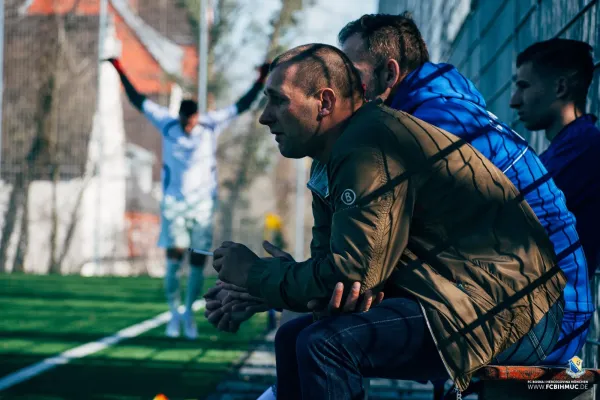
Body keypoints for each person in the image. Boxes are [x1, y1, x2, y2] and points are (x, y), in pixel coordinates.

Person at [206, 43, 566, 399]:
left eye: (278, 100)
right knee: (292, 336)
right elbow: (337, 283)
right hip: (453, 297)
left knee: (325, 344)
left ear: (325, 103)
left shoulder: (367, 147)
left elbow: (351, 274)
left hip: (513, 314)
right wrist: (278, 287)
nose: (264, 116)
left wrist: (255, 275)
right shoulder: (331, 156)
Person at [334, 13, 593, 365]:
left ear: (390, 74)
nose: (338, 83)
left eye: (350, 72)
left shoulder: (432, 126)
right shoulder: (434, 114)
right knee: (322, 332)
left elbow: (381, 252)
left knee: (329, 340)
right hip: (528, 301)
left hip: (547, 316)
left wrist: (276, 284)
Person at [106, 58, 269, 339]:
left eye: (192, 122)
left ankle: (189, 316)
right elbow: (137, 100)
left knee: (197, 260)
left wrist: (261, 79)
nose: (189, 126)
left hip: (203, 204)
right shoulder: (166, 124)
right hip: (174, 203)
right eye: (185, 122)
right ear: (180, 117)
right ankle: (173, 313)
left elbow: (241, 106)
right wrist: (120, 68)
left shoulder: (210, 124)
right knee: (173, 257)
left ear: (197, 117)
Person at [510, 38, 600, 280]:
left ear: (560, 88)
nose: (514, 100)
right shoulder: (567, 150)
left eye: (523, 86)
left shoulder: (584, 150)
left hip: (548, 309)